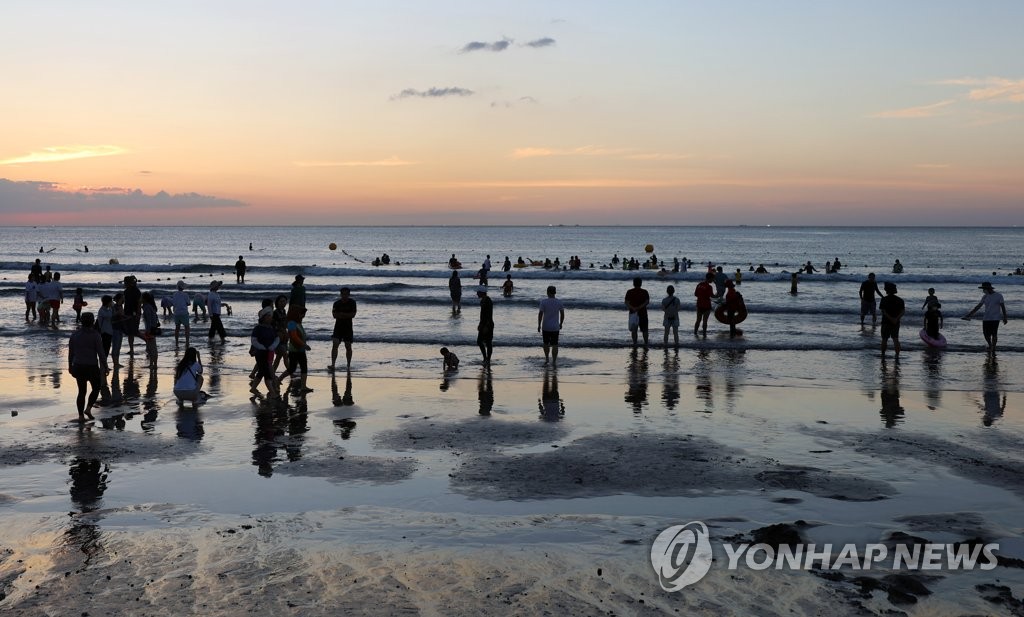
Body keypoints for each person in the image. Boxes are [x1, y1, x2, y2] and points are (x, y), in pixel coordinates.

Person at [68, 312, 107, 422]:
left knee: (81, 391)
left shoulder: (75, 335)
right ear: (93, 321)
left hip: (78, 366)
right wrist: (106, 366)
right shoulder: (95, 335)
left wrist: (70, 366)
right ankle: (88, 408)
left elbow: (71, 353)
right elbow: (101, 353)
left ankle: (81, 416)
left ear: (81, 321)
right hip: (91, 366)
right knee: (96, 388)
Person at [963, 282, 1008, 353]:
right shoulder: (985, 296)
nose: (983, 290)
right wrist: (969, 315)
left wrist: (1005, 317)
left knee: (994, 334)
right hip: (986, 318)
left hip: (995, 318)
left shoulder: (999, 295)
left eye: (984, 289)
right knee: (985, 334)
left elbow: (1003, 307)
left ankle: (993, 347)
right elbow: (978, 306)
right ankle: (990, 345)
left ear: (988, 288)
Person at [278, 307, 312, 394]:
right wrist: (304, 345)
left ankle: (304, 386)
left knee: (304, 367)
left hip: (300, 350)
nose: (303, 316)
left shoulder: (298, 323)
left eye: (303, 314)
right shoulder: (291, 323)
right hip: (294, 350)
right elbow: (294, 337)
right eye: (302, 314)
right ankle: (279, 379)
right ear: (296, 314)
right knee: (292, 368)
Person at [249, 307, 279, 398]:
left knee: (261, 371)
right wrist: (261, 347)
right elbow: (253, 340)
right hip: (260, 353)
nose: (270, 318)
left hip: (269, 352)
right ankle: (272, 392)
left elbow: (277, 338)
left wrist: (273, 346)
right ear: (263, 317)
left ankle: (253, 388)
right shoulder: (258, 328)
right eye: (268, 316)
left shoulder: (271, 328)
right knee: (266, 372)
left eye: (271, 316)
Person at [330, 287, 357, 371]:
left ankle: (348, 364)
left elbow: (353, 315)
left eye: (346, 294)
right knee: (335, 344)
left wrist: (342, 314)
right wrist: (345, 315)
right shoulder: (336, 303)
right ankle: (333, 364)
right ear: (340, 294)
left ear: (349, 294)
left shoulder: (352, 302)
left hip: (348, 327)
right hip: (338, 327)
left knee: (348, 346)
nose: (344, 296)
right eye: (343, 294)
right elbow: (334, 315)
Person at [537, 285, 565, 365]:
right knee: (555, 344)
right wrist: (561, 323)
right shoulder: (559, 302)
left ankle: (547, 359)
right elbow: (562, 314)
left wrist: (539, 325)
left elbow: (540, 314)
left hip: (546, 326)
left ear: (547, 292)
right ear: (555, 292)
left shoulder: (544, 302)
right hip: (555, 327)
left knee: (546, 344)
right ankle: (554, 361)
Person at [879, 282, 905, 358]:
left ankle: (883, 355)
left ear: (886, 290)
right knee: (895, 339)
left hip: (886, 322)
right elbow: (903, 311)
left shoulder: (884, 299)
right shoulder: (900, 300)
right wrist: (896, 319)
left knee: (884, 339)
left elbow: (883, 312)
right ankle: (897, 356)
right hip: (896, 322)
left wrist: (891, 318)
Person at [625, 277, 650, 348]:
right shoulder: (645, 292)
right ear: (641, 284)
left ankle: (635, 343)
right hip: (643, 313)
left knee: (634, 330)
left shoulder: (629, 292)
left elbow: (626, 302)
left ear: (633, 283)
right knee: (645, 330)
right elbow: (647, 302)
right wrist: (639, 307)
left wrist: (633, 308)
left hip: (633, 313)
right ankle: (646, 344)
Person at [140, 291, 160, 368]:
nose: (140, 299)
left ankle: (153, 364)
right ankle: (153, 364)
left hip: (150, 330)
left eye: (141, 297)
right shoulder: (150, 306)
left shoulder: (147, 307)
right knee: (152, 347)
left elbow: (149, 321)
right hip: (152, 329)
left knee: (151, 348)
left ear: (144, 299)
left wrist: (147, 331)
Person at [123, 276, 142, 355]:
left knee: (135, 332)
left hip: (134, 314)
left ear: (128, 283)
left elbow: (139, 303)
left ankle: (148, 341)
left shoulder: (136, 291)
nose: (124, 283)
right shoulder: (126, 291)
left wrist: (138, 314)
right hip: (127, 313)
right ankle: (131, 349)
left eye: (125, 282)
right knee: (130, 333)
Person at [171, 280, 191, 347]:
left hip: (176, 313)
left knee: (177, 328)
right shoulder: (185, 294)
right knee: (187, 327)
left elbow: (173, 303)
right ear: (183, 288)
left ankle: (176, 342)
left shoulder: (174, 294)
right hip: (184, 313)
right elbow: (188, 303)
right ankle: (187, 341)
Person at [694, 272, 714, 336]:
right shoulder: (709, 287)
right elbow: (711, 296)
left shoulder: (699, 284)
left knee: (698, 320)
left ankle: (695, 333)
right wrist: (718, 295)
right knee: (705, 321)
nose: (713, 280)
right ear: (710, 278)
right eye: (712, 279)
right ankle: (704, 334)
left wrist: (701, 296)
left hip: (699, 304)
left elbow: (696, 294)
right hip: (706, 305)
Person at [477, 286, 493, 364]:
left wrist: (486, 325)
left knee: (488, 342)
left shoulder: (487, 301)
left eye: (478, 292)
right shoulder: (483, 300)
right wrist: (480, 324)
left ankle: (487, 359)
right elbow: (482, 314)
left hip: (488, 324)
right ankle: (485, 358)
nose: (477, 294)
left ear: (482, 293)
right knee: (480, 341)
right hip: (484, 323)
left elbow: (488, 314)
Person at [96, 295, 114, 364]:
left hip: (108, 331)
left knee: (106, 348)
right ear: (107, 302)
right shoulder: (102, 311)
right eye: (110, 301)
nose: (112, 302)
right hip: (105, 332)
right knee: (105, 349)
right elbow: (109, 316)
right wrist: (112, 307)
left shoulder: (106, 309)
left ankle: (103, 364)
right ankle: (103, 364)